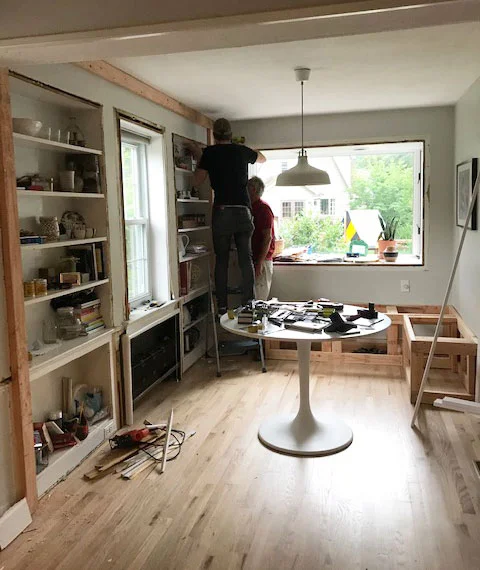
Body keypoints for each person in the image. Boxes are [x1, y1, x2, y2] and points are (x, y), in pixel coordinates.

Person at [188, 118, 266, 314]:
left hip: (222, 210)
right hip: (242, 211)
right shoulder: (241, 151)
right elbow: (263, 158)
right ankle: (249, 302)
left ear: (214, 135)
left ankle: (222, 305)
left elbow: (197, 181)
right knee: (245, 258)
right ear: (231, 135)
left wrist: (200, 156)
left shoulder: (210, 153)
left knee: (221, 259)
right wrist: (247, 148)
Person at [247, 176, 275, 300]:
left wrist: (259, 263)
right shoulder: (250, 208)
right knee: (250, 301)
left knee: (258, 301)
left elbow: (267, 238)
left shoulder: (263, 209)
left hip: (261, 261)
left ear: (253, 189)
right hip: (253, 260)